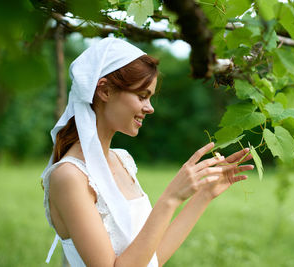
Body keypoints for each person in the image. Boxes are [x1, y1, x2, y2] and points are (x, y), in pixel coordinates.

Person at [41, 37, 254, 267]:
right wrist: (171, 197)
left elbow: (150, 260)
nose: (150, 108)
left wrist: (204, 195)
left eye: (150, 98)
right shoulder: (69, 177)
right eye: (142, 96)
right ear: (104, 90)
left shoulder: (122, 160)